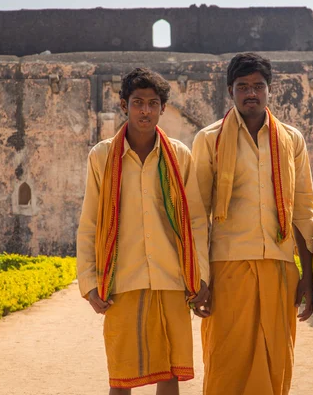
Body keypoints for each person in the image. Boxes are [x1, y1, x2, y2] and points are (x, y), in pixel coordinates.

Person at [76, 67, 210, 395]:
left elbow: (195, 220)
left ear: (163, 108)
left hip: (171, 279)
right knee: (121, 377)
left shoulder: (179, 156)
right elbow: (90, 222)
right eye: (138, 102)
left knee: (170, 374)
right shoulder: (103, 156)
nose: (145, 111)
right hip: (123, 280)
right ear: (124, 106)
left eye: (153, 103)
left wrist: (202, 276)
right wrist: (89, 283)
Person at [192, 52, 313, 395]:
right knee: (226, 364)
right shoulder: (209, 139)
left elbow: (304, 210)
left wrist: (309, 275)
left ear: (269, 90)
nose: (251, 93)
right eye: (242, 86)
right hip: (227, 267)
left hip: (279, 268)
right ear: (229, 91)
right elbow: (197, 215)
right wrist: (200, 277)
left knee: (276, 362)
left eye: (258, 86)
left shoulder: (291, 140)